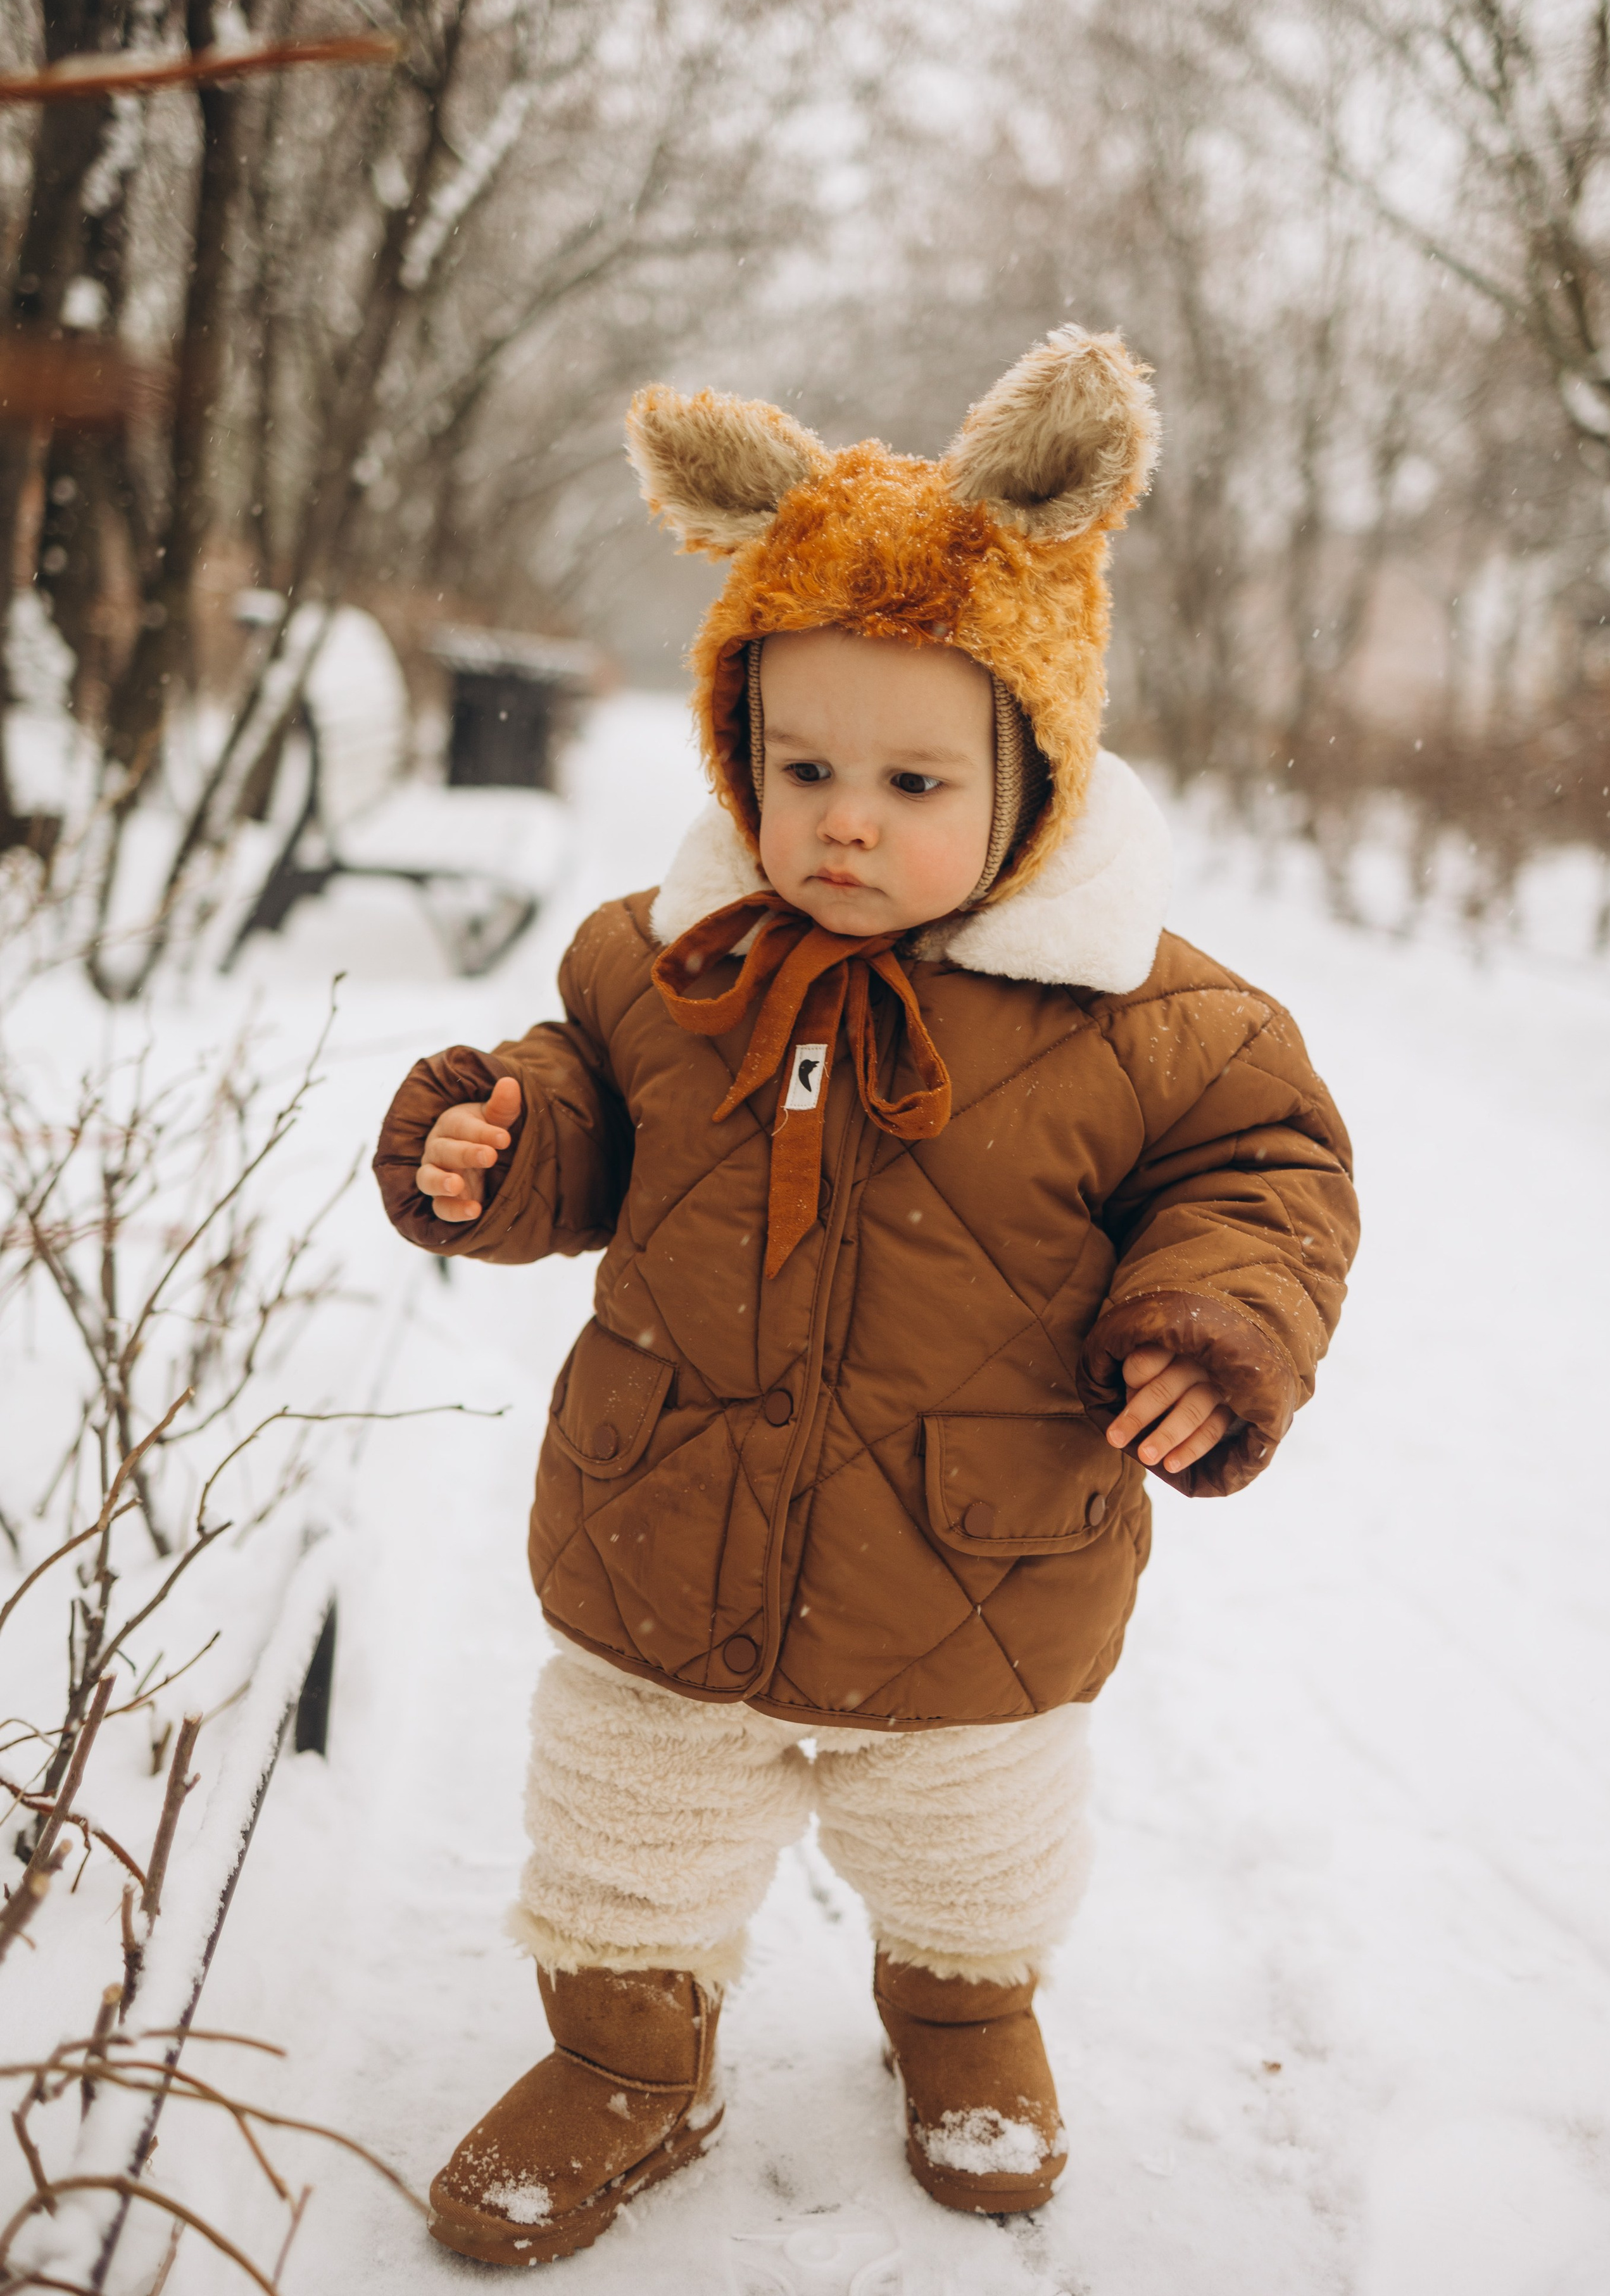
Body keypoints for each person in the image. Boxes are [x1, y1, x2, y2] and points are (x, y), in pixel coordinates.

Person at [373, 326, 1359, 2268]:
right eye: (800, 764)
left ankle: (963, 2008)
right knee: (627, 1835)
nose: (842, 818)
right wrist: (497, 1145)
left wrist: (1209, 1324)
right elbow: (584, 1106)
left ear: (1036, 768)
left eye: (913, 777)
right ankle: (632, 2051)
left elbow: (1265, 1182)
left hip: (978, 1564)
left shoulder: (1157, 1022)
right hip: (670, 1531)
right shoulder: (665, 972)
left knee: (972, 1842)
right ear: (737, 751)